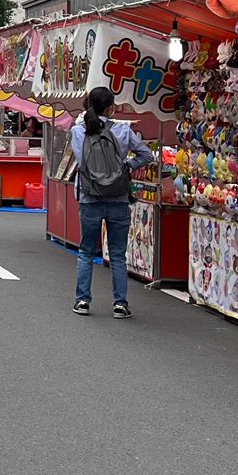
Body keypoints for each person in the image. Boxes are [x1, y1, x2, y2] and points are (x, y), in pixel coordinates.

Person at [71, 85, 155, 318]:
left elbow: (81, 161)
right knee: (118, 254)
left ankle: (82, 302)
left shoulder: (79, 131)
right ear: (111, 108)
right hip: (118, 198)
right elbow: (147, 155)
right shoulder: (123, 131)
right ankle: (120, 304)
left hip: (90, 197)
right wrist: (126, 167)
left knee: (86, 252)